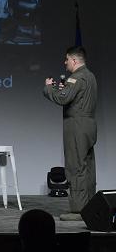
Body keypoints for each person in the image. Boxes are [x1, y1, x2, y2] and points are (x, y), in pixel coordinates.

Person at [43, 46, 97, 221]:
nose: (65, 62)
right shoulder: (90, 76)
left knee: (75, 167)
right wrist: (63, 90)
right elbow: (73, 97)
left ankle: (79, 210)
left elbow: (62, 99)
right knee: (87, 167)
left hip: (76, 125)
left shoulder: (77, 77)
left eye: (67, 59)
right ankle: (90, 207)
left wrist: (49, 88)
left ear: (74, 60)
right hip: (89, 124)